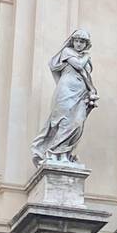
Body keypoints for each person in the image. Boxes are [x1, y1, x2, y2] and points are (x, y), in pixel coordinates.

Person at [31, 29, 98, 164]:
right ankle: (54, 154)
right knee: (65, 121)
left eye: (82, 42)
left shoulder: (84, 57)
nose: (79, 44)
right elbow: (79, 66)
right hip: (66, 91)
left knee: (77, 123)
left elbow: (86, 75)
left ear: (86, 44)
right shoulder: (68, 52)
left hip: (81, 93)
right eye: (77, 41)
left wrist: (91, 90)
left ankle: (64, 153)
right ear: (72, 42)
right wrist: (87, 56)